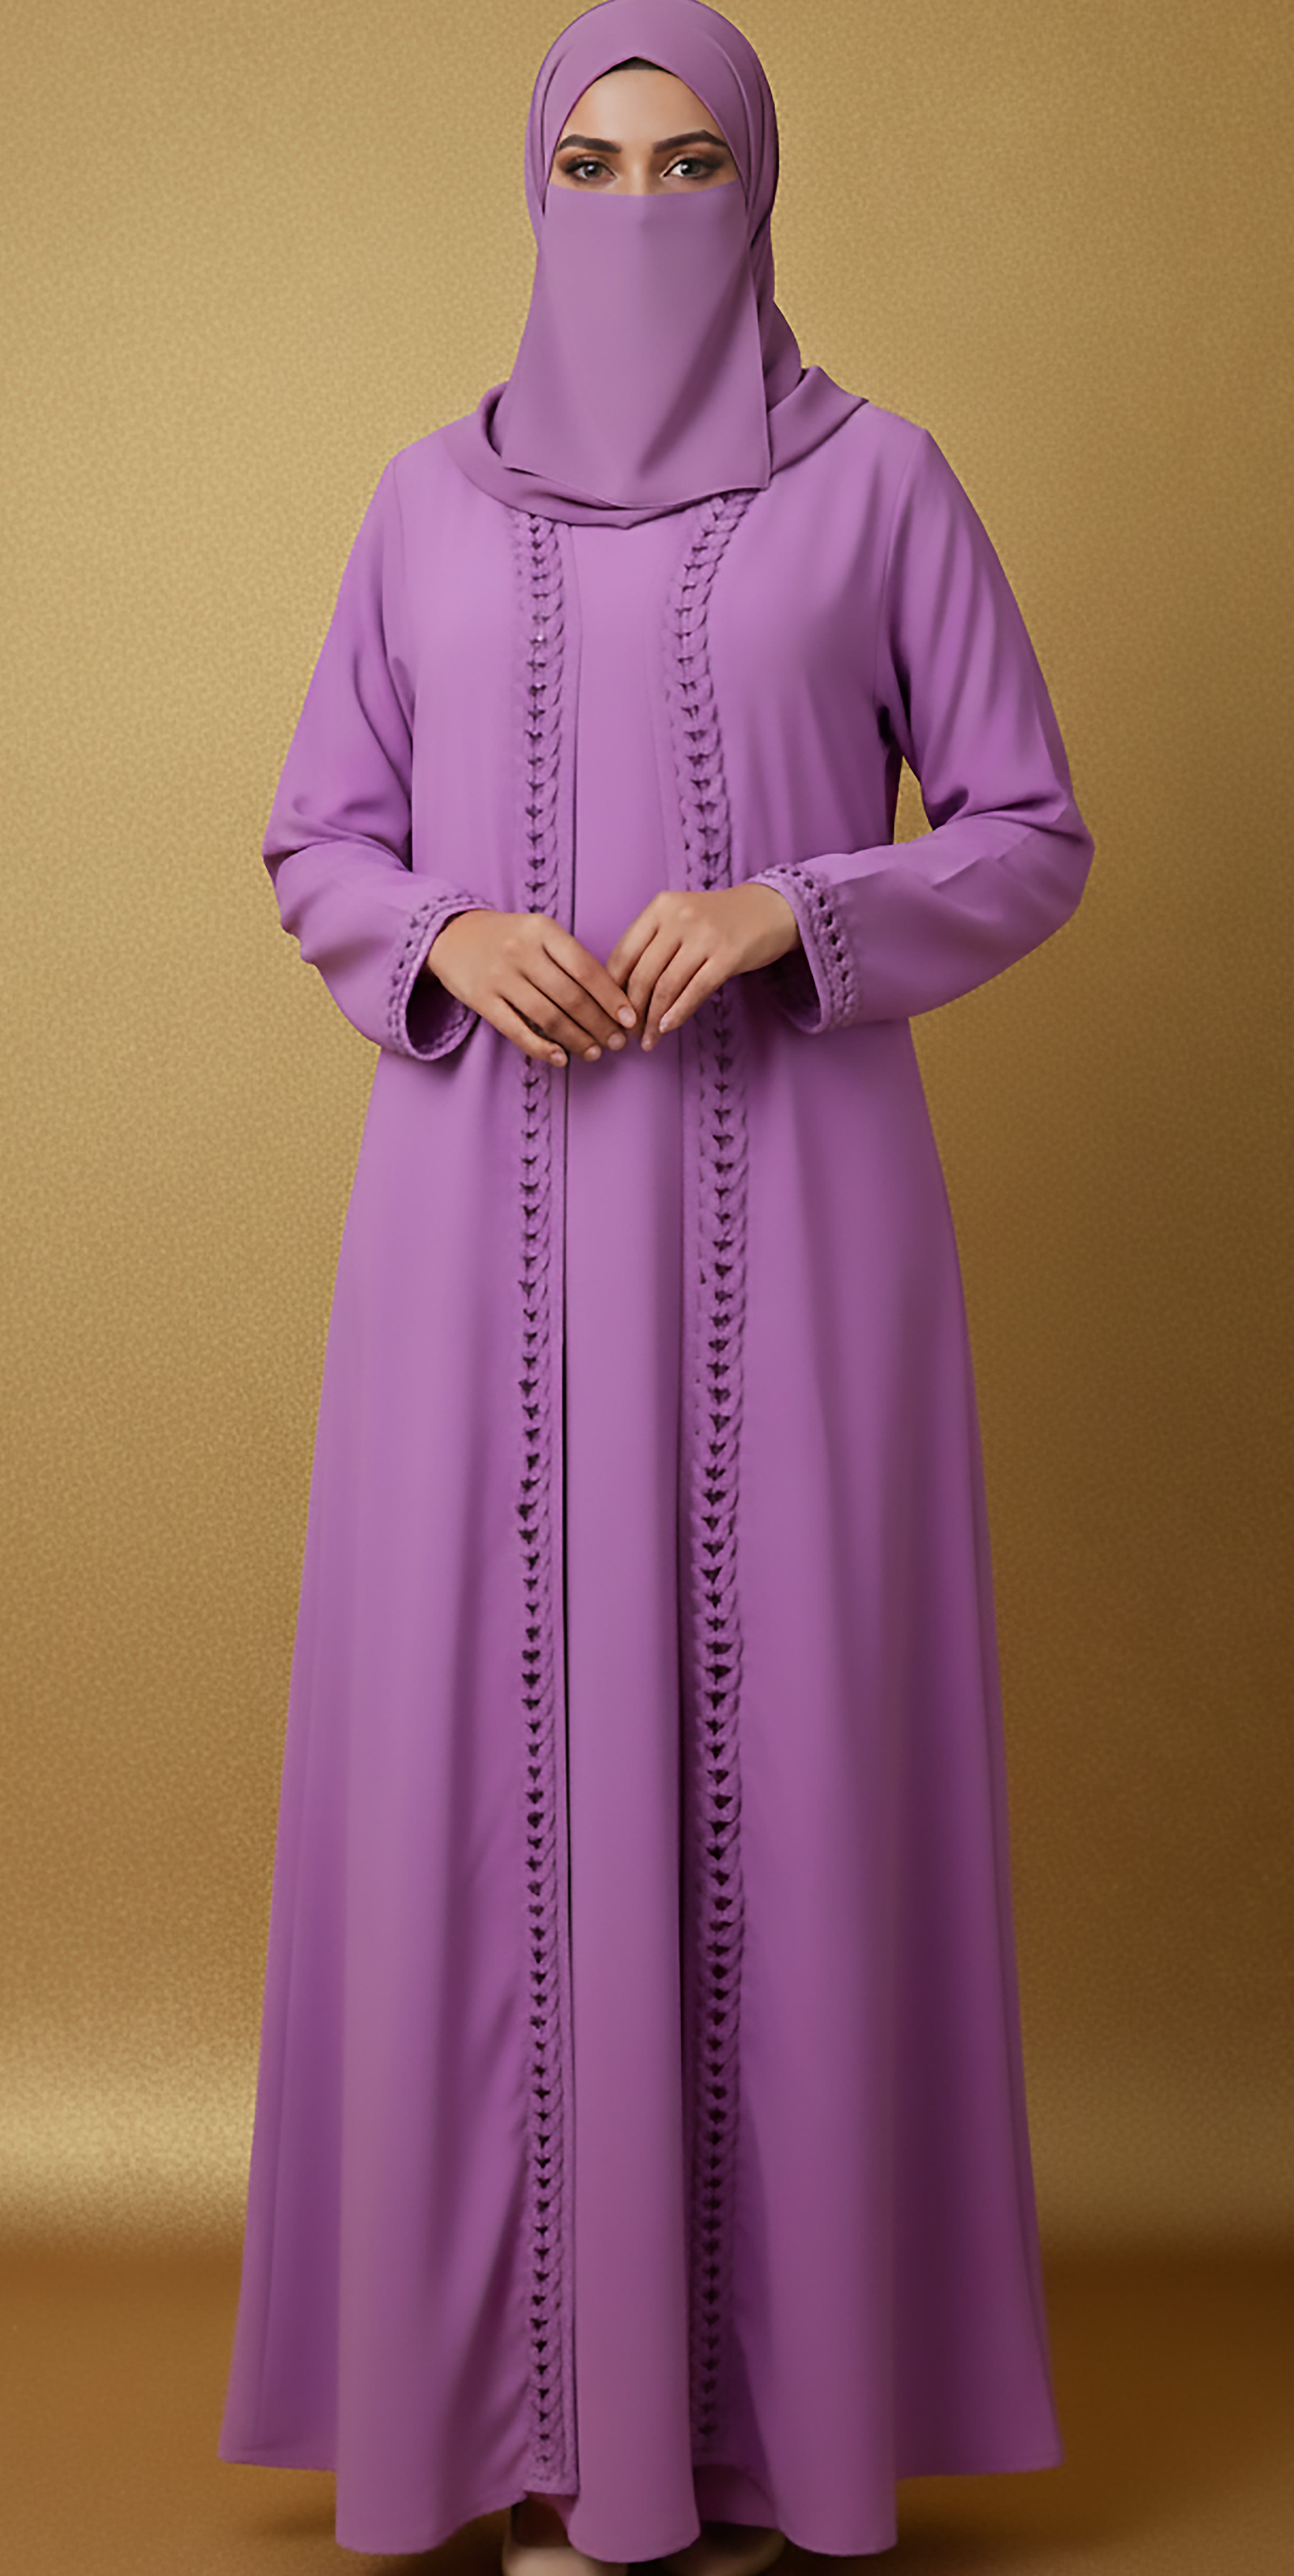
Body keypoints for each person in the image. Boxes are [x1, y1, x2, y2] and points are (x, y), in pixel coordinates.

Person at [217, 3, 1093, 2569]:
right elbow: (317, 834)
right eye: (589, 165)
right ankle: (511, 2426)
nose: (636, 208)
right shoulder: (423, 504)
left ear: (763, 187)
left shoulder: (882, 483)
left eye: (688, 162)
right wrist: (441, 932)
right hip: (471, 1227)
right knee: (475, 1763)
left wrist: (799, 906)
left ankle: (754, 2438)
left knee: (780, 1754)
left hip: (794, 1226)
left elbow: (1029, 827)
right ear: (530, 191)